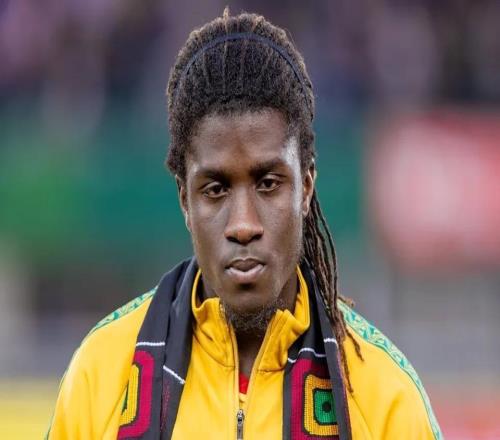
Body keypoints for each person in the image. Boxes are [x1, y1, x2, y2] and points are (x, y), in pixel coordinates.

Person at [47, 10, 442, 440]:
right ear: (184, 198)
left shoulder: (384, 398)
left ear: (306, 187)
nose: (243, 224)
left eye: (268, 184)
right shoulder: (100, 376)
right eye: (216, 189)